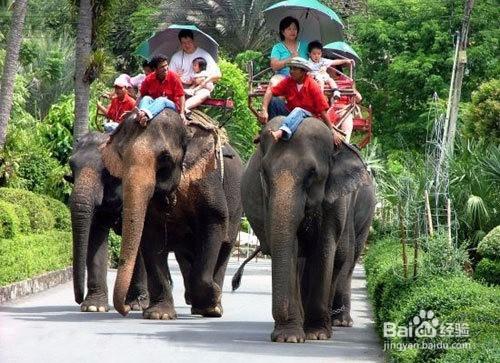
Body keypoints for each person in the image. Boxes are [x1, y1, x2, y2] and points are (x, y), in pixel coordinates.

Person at [258, 57, 342, 145]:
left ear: (303, 72)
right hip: (291, 112)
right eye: (290, 68)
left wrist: (332, 130)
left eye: (294, 69)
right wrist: (264, 109)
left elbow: (322, 110)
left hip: (308, 116)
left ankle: (281, 132)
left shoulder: (313, 85)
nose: (291, 71)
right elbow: (271, 91)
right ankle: (267, 129)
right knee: (274, 101)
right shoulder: (288, 81)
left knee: (298, 110)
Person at [170, 29, 221, 114]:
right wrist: (176, 76)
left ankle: (184, 108)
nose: (187, 45)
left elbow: (218, 75)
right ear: (180, 43)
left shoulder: (204, 54)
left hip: (199, 88)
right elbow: (169, 76)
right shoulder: (176, 57)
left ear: (193, 41)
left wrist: (203, 80)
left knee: (204, 93)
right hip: (181, 87)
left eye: (189, 42)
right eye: (184, 43)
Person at [136, 54, 186, 126]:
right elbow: (142, 96)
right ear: (155, 69)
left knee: (162, 100)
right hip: (155, 103)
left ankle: (144, 115)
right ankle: (141, 115)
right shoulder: (149, 79)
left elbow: (181, 95)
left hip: (172, 105)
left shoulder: (174, 77)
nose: (166, 68)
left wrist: (182, 113)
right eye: (162, 67)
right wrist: (132, 110)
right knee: (146, 98)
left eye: (166, 65)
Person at [269, 16, 308, 86]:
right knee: (274, 83)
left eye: (295, 29)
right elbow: (274, 66)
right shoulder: (277, 47)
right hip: (283, 78)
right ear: (283, 32)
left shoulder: (305, 46)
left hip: (303, 78)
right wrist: (290, 59)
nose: (292, 31)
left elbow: (314, 60)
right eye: (289, 29)